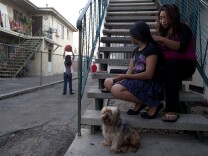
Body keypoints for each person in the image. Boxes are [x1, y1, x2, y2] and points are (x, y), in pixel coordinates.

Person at [103, 21, 165, 119]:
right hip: (136, 81)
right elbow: (130, 71)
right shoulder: (136, 51)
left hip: (149, 84)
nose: (130, 37)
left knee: (115, 89)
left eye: (131, 35)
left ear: (137, 36)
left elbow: (149, 75)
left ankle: (154, 104)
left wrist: (126, 77)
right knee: (107, 82)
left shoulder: (151, 49)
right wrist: (123, 79)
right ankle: (141, 103)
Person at [152, 4, 196, 122]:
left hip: (186, 64)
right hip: (169, 66)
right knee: (155, 66)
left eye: (165, 17)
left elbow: (181, 47)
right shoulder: (163, 31)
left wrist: (161, 39)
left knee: (170, 66)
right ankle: (153, 103)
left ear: (173, 16)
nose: (163, 21)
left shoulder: (183, 28)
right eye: (161, 18)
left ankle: (172, 109)